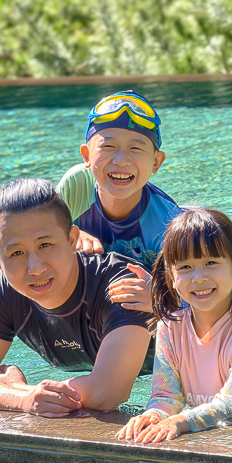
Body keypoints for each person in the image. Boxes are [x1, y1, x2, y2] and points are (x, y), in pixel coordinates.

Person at [0, 177, 154, 417]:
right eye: (17, 253)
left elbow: (108, 392)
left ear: (72, 240)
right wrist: (23, 399)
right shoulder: (5, 292)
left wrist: (21, 389)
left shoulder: (124, 285)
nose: (35, 268)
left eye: (45, 245)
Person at [117, 208, 232, 444]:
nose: (198, 277)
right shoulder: (169, 327)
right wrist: (154, 415)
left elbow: (230, 403)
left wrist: (180, 421)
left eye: (210, 262)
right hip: (224, 422)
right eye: (185, 267)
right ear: (171, 276)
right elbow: (166, 394)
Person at [56, 91, 182, 313]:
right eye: (108, 146)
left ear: (156, 162)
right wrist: (68, 232)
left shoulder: (169, 225)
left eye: (136, 148)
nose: (121, 160)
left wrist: (161, 300)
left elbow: (196, 298)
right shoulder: (76, 185)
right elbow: (36, 235)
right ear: (86, 155)